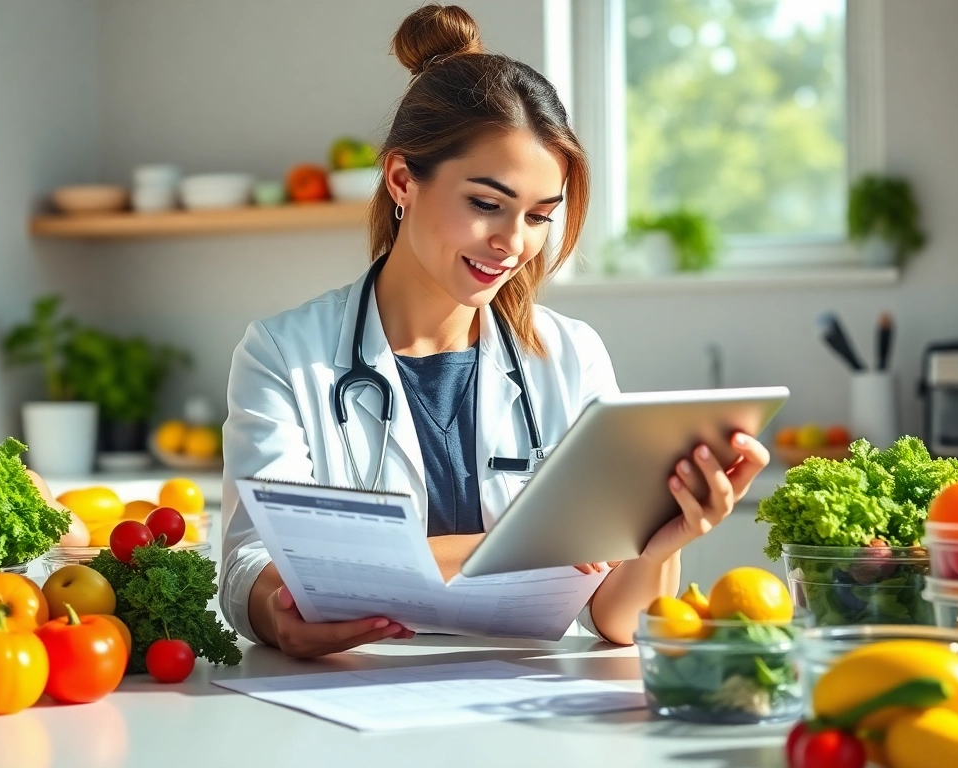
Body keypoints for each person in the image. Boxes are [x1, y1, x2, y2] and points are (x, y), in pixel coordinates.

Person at [219, 4, 769, 658]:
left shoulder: (570, 356)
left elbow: (620, 620)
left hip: (526, 710)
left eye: (539, 216)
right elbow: (254, 563)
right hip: (349, 694)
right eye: (487, 204)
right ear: (402, 180)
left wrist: (664, 540)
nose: (513, 243)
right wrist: (280, 617)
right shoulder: (285, 353)